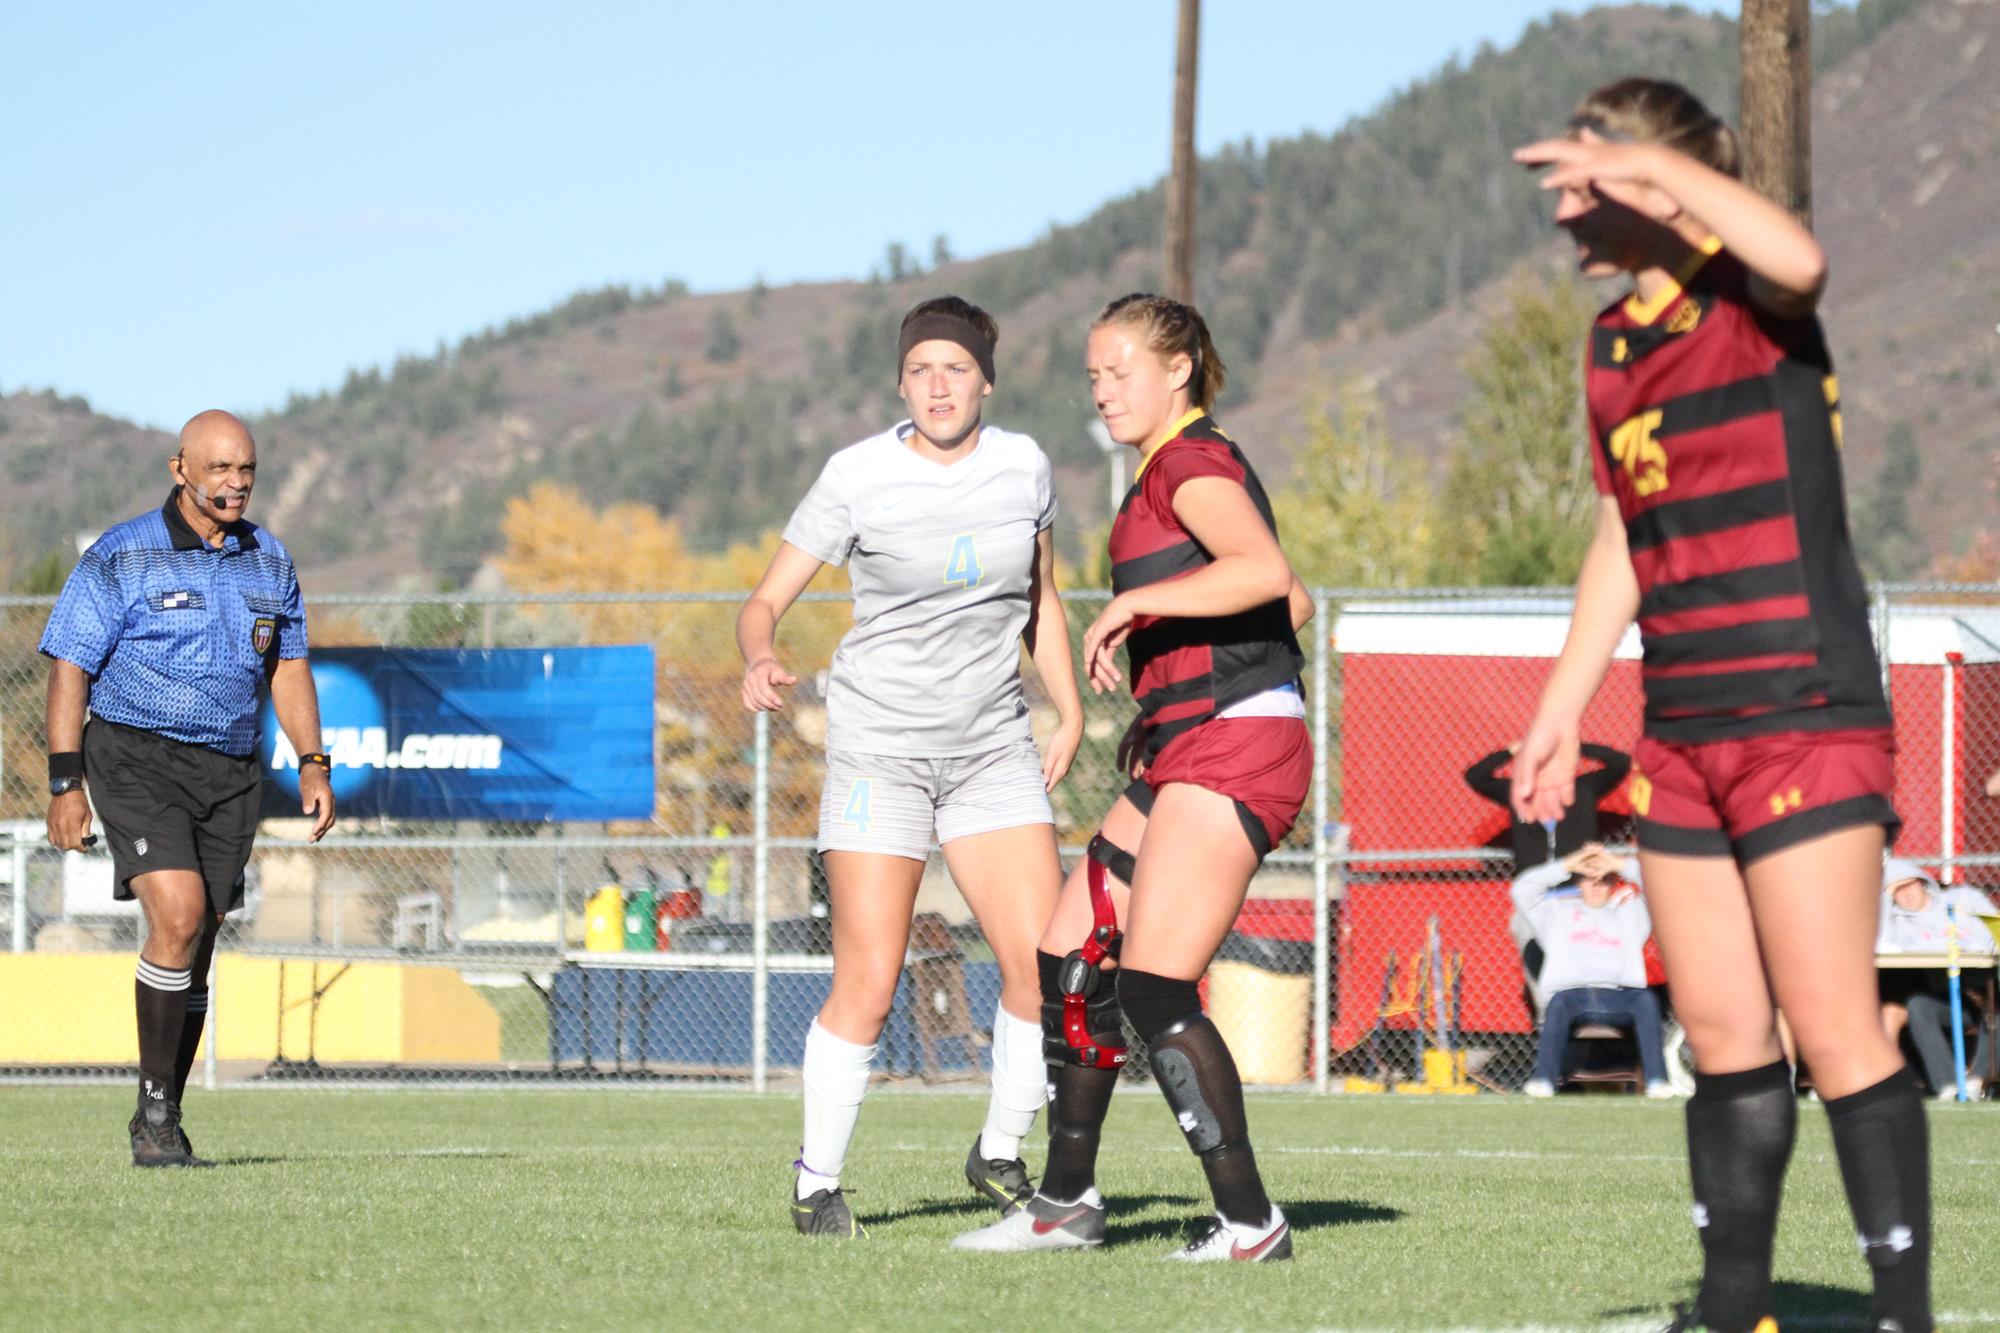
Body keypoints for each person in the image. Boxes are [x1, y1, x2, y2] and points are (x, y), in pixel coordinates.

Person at [1510, 80, 1930, 1333]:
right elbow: (1618, 535)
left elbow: (1797, 250)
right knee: (1719, 1028)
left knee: (1832, 1025)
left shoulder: (1754, 296)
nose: (1562, 206)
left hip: (1800, 705)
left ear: (1654, 178)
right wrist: (1555, 705)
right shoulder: (1607, 347)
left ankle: (1899, 1312)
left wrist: (1655, 167)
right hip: (1679, 727)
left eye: (1587, 179)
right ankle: (1730, 1305)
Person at [953, 293, 1314, 1262]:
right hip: (1190, 742)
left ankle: (1250, 1224)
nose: (1102, 390)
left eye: (1119, 372)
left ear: (1178, 370)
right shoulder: (1169, 467)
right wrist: (1168, 691)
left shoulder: (1191, 460)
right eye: (1092, 375)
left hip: (1236, 743)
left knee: (1153, 986)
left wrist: (1132, 611)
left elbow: (1264, 571)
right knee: (1070, 959)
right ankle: (1065, 1202)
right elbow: (1299, 601)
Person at [736, 295, 1084, 1238]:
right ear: (901, 380)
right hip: (878, 751)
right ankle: (818, 1178)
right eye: (922, 368)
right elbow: (763, 603)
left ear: (987, 379)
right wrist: (760, 655)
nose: (939, 385)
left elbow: (1041, 601)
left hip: (992, 749)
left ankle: (1000, 1152)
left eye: (957, 368)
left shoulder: (1024, 467)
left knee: (1040, 966)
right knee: (872, 977)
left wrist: (1072, 706)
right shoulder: (857, 475)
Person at [39, 410, 335, 1168]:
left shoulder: (269, 560)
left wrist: (312, 759)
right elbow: (70, 663)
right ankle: (157, 1112)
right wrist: (65, 780)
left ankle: (158, 1110)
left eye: (247, 471)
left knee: (196, 944)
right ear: (181, 468)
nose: (235, 484)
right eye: (219, 469)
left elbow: (289, 666)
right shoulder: (120, 555)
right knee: (178, 910)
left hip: (231, 769)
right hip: (134, 755)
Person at [1513, 843, 1673, 1098]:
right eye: (1589, 879)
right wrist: (1568, 865)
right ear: (1579, 883)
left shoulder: (1630, 914)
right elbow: (1523, 889)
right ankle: (1543, 1080)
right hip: (1572, 995)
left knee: (1646, 1000)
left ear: (1613, 884)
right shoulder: (1556, 914)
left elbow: (1660, 887)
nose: (1597, 885)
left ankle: (1657, 1081)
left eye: (1604, 880)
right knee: (1558, 1003)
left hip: (1619, 995)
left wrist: (1617, 863)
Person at [1875, 860, 1996, 1099]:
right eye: (1896, 891)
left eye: (1908, 885)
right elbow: (1883, 943)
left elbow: (1993, 934)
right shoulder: (1898, 923)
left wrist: (1967, 946)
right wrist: (1885, 902)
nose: (1905, 894)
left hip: (1986, 990)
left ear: (1921, 882)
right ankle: (1947, 1084)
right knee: (1918, 1005)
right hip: (1954, 1000)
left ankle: (1976, 1082)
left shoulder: (1964, 899)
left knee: (1996, 1012)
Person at [1465, 741, 1630, 869]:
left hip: (1577, 885)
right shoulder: (1521, 792)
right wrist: (1511, 751)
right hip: (1536, 887)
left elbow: (1620, 763)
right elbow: (1475, 776)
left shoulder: (1582, 788)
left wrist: (1576, 746)